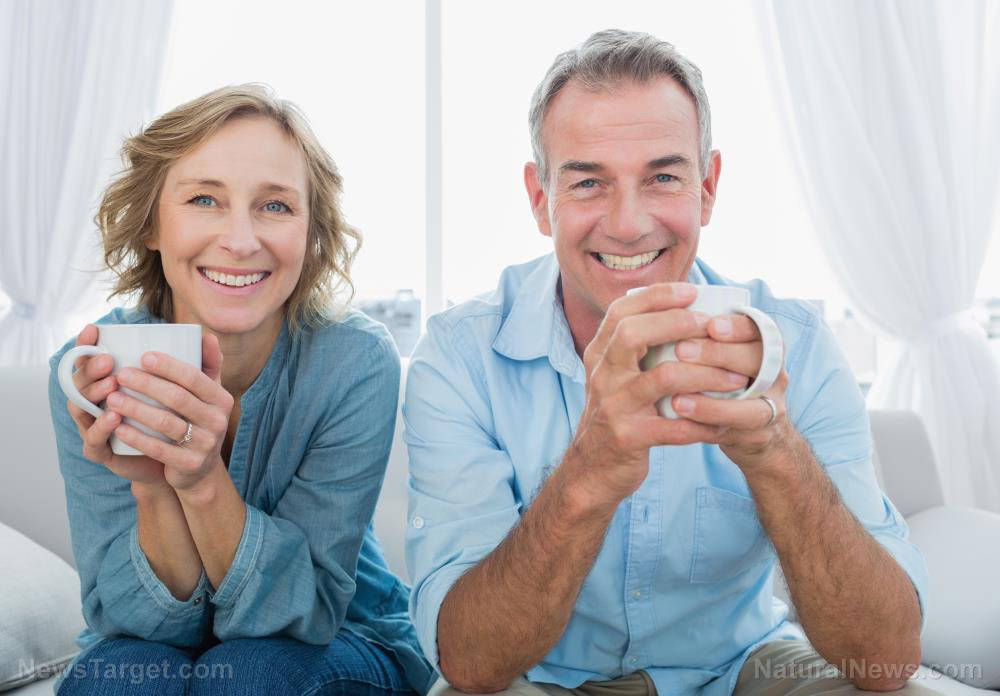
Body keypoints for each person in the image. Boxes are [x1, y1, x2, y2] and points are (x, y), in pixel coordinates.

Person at [404, 30, 937, 696]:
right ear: (541, 200)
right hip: (540, 680)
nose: (628, 225)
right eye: (589, 183)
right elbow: (471, 662)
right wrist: (589, 472)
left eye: (662, 177)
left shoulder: (794, 342)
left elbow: (885, 657)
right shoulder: (459, 359)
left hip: (738, 667)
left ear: (707, 187)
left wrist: (775, 453)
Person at [48, 84, 434, 696]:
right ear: (151, 224)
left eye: (275, 207)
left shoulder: (355, 362)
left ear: (310, 234)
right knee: (117, 679)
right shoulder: (87, 371)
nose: (241, 239)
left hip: (342, 637)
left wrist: (201, 482)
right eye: (205, 198)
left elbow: (306, 612)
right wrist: (152, 486)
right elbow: (130, 621)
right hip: (153, 647)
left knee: (246, 674)